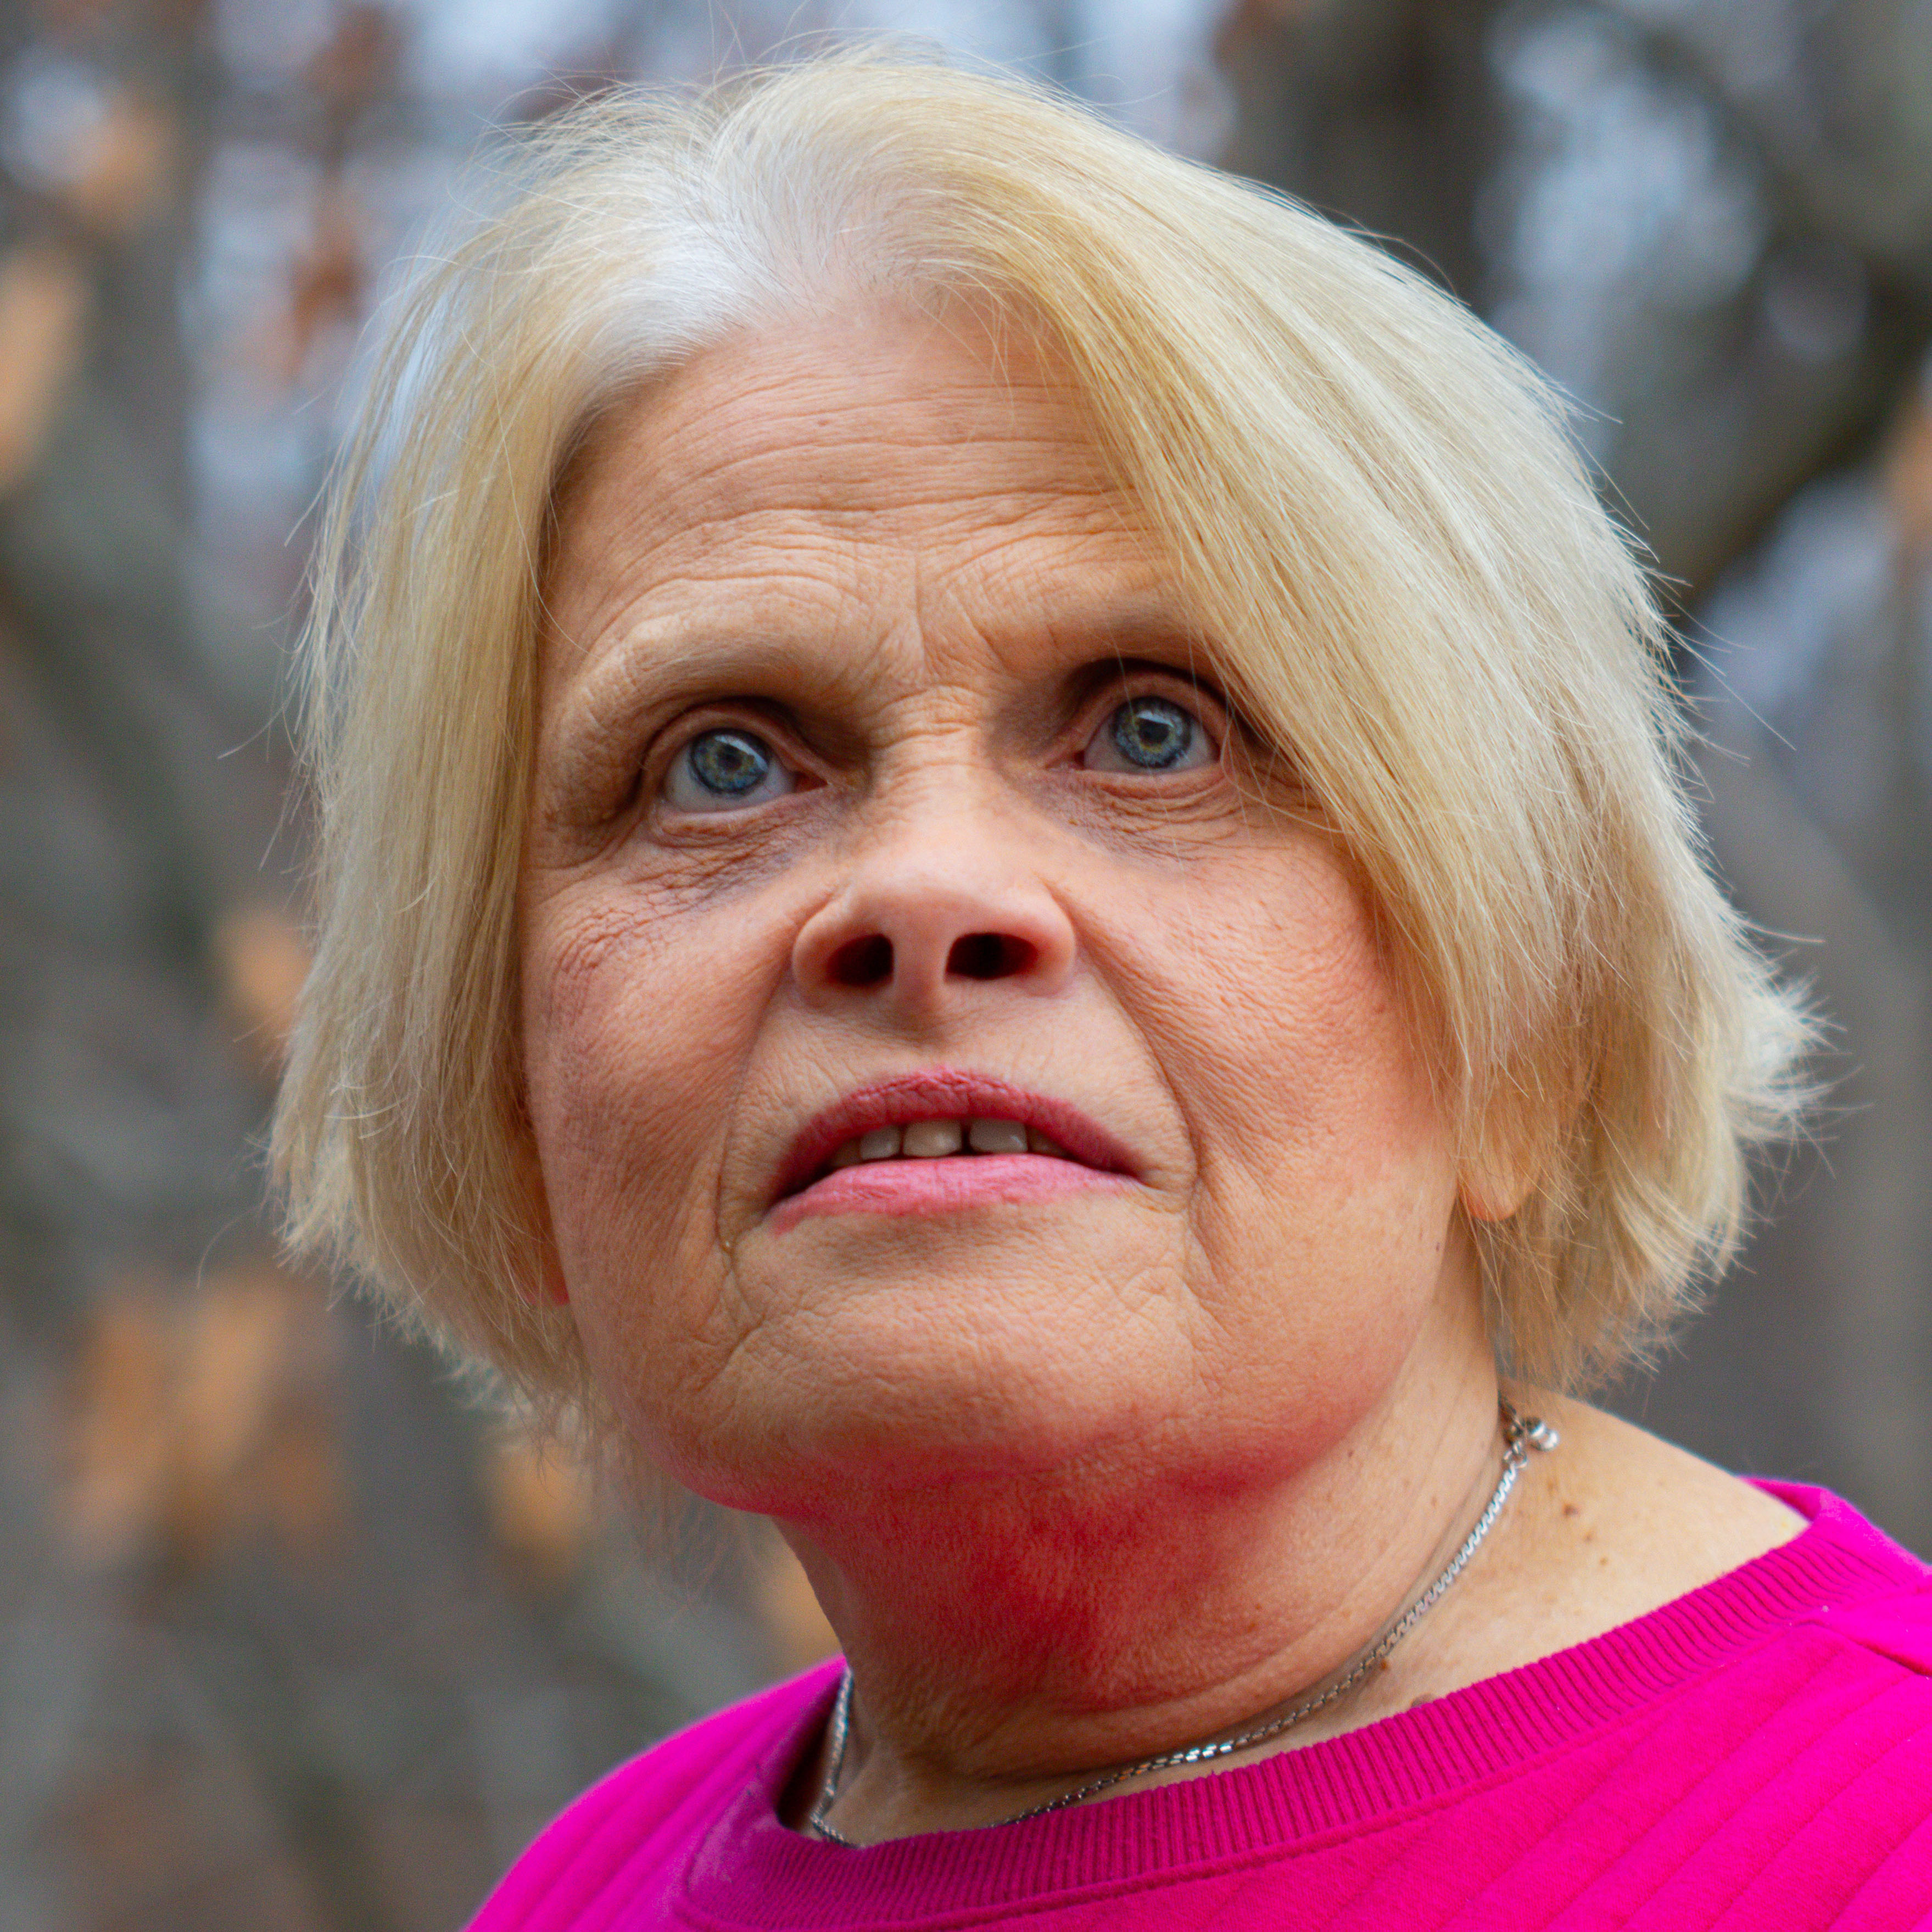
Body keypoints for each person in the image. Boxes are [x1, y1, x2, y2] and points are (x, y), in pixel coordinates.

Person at [273, 51, 1932, 1929]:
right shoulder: (594, 1888)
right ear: (508, 1085)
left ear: (1524, 1021)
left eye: (1156, 733)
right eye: (723, 763)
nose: (920, 891)